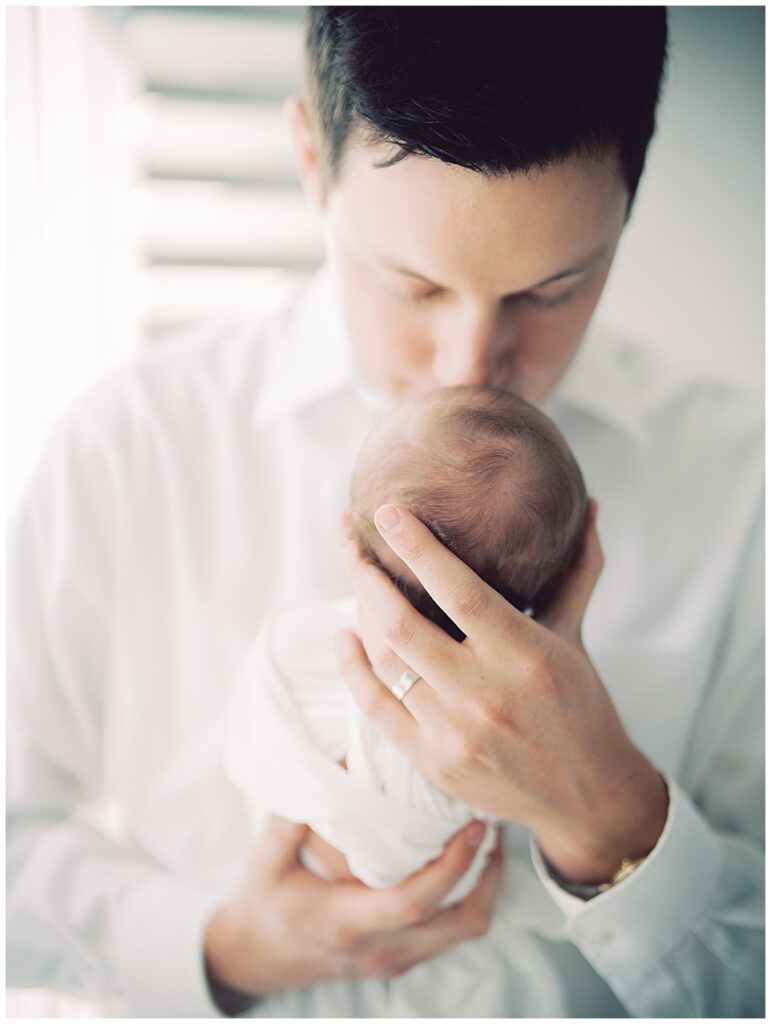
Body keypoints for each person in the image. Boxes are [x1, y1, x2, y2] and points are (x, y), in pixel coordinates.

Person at [7, 7, 763, 1018]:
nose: (470, 368)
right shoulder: (128, 446)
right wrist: (217, 948)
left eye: (552, 291)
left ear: (634, 188)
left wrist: (613, 814)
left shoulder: (742, 485)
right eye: (411, 285)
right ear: (311, 162)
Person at [225, 382, 588, 900]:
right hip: (421, 873)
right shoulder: (510, 733)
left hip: (279, 834)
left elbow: (255, 698)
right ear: (553, 589)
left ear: (355, 542)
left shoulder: (304, 638)